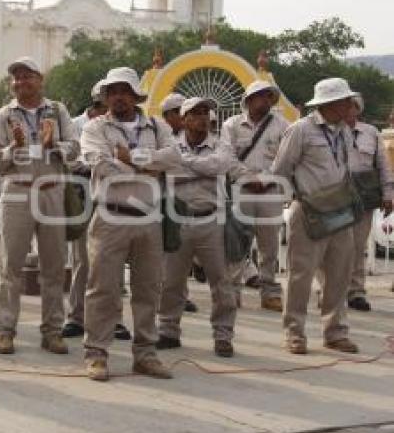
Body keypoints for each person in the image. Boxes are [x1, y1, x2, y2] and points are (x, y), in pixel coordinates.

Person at [80, 68, 174, 381]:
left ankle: (145, 354)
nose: (118, 96)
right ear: (106, 96)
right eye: (113, 91)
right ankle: (96, 353)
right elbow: (102, 165)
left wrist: (130, 158)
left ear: (136, 95)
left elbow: (174, 158)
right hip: (111, 215)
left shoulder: (156, 125)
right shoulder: (95, 127)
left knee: (148, 290)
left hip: (148, 217)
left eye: (125, 90)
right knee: (103, 289)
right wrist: (148, 166)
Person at [0, 57, 79, 355]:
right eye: (16, 78)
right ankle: (5, 331)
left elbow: (75, 149)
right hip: (18, 192)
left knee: (53, 267)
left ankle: (52, 331)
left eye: (27, 76)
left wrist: (54, 144)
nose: (20, 82)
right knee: (10, 267)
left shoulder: (58, 111)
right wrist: (14, 147)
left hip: (52, 191)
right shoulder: (3, 116)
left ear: (41, 80)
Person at [271, 78, 363, 355]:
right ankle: (294, 333)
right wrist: (297, 198)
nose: (350, 105)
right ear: (330, 103)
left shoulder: (344, 131)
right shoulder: (301, 130)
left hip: (340, 210)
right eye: (345, 101)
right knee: (301, 275)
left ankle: (335, 331)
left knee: (339, 274)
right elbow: (280, 170)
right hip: (309, 210)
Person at [148, 97, 238, 358]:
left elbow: (219, 166)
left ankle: (223, 335)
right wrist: (199, 169)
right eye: (196, 113)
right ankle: (168, 330)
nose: (203, 118)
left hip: (212, 220)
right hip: (178, 220)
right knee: (171, 281)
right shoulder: (170, 146)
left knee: (221, 282)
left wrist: (183, 163)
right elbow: (167, 169)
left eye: (205, 113)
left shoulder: (221, 144)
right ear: (184, 119)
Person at [62, 82, 131, 341]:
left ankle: (115, 319)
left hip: (113, 195)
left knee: (113, 264)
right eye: (104, 102)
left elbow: (127, 161)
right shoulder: (77, 126)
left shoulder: (122, 127)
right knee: (82, 260)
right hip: (83, 196)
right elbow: (72, 161)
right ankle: (77, 317)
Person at [222, 81, 289, 312]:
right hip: (241, 191)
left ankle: (270, 291)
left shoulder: (283, 125)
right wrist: (248, 177)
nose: (265, 100)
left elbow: (285, 159)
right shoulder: (231, 125)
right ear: (249, 100)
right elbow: (227, 158)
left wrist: (266, 178)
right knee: (237, 243)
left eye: (268, 96)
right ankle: (233, 291)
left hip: (271, 192)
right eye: (260, 96)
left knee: (269, 245)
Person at [344, 95, 393, 311]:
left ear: (358, 110)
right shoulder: (328, 131)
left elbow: (383, 165)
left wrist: (388, 193)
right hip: (333, 195)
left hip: (363, 195)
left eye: (351, 106)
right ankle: (330, 290)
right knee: (332, 246)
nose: (346, 110)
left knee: (357, 246)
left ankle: (356, 292)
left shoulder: (371, 133)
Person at [160, 92, 199, 314]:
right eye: (178, 112)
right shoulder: (162, 138)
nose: (183, 116)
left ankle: (181, 295)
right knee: (167, 254)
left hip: (191, 201)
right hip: (167, 201)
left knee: (182, 253)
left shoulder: (194, 137)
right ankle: (168, 297)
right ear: (168, 115)